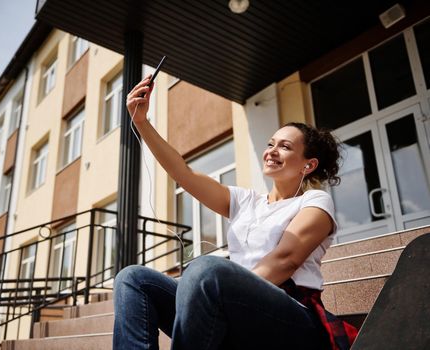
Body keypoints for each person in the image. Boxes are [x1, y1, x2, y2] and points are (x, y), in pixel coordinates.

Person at [113, 75, 357, 349]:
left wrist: (215, 286)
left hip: (289, 315)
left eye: (285, 147)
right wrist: (141, 122)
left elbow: (285, 260)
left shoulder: (315, 201)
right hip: (230, 307)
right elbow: (183, 172)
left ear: (308, 165)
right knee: (133, 278)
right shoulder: (246, 201)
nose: (272, 151)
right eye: (270, 144)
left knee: (205, 268)